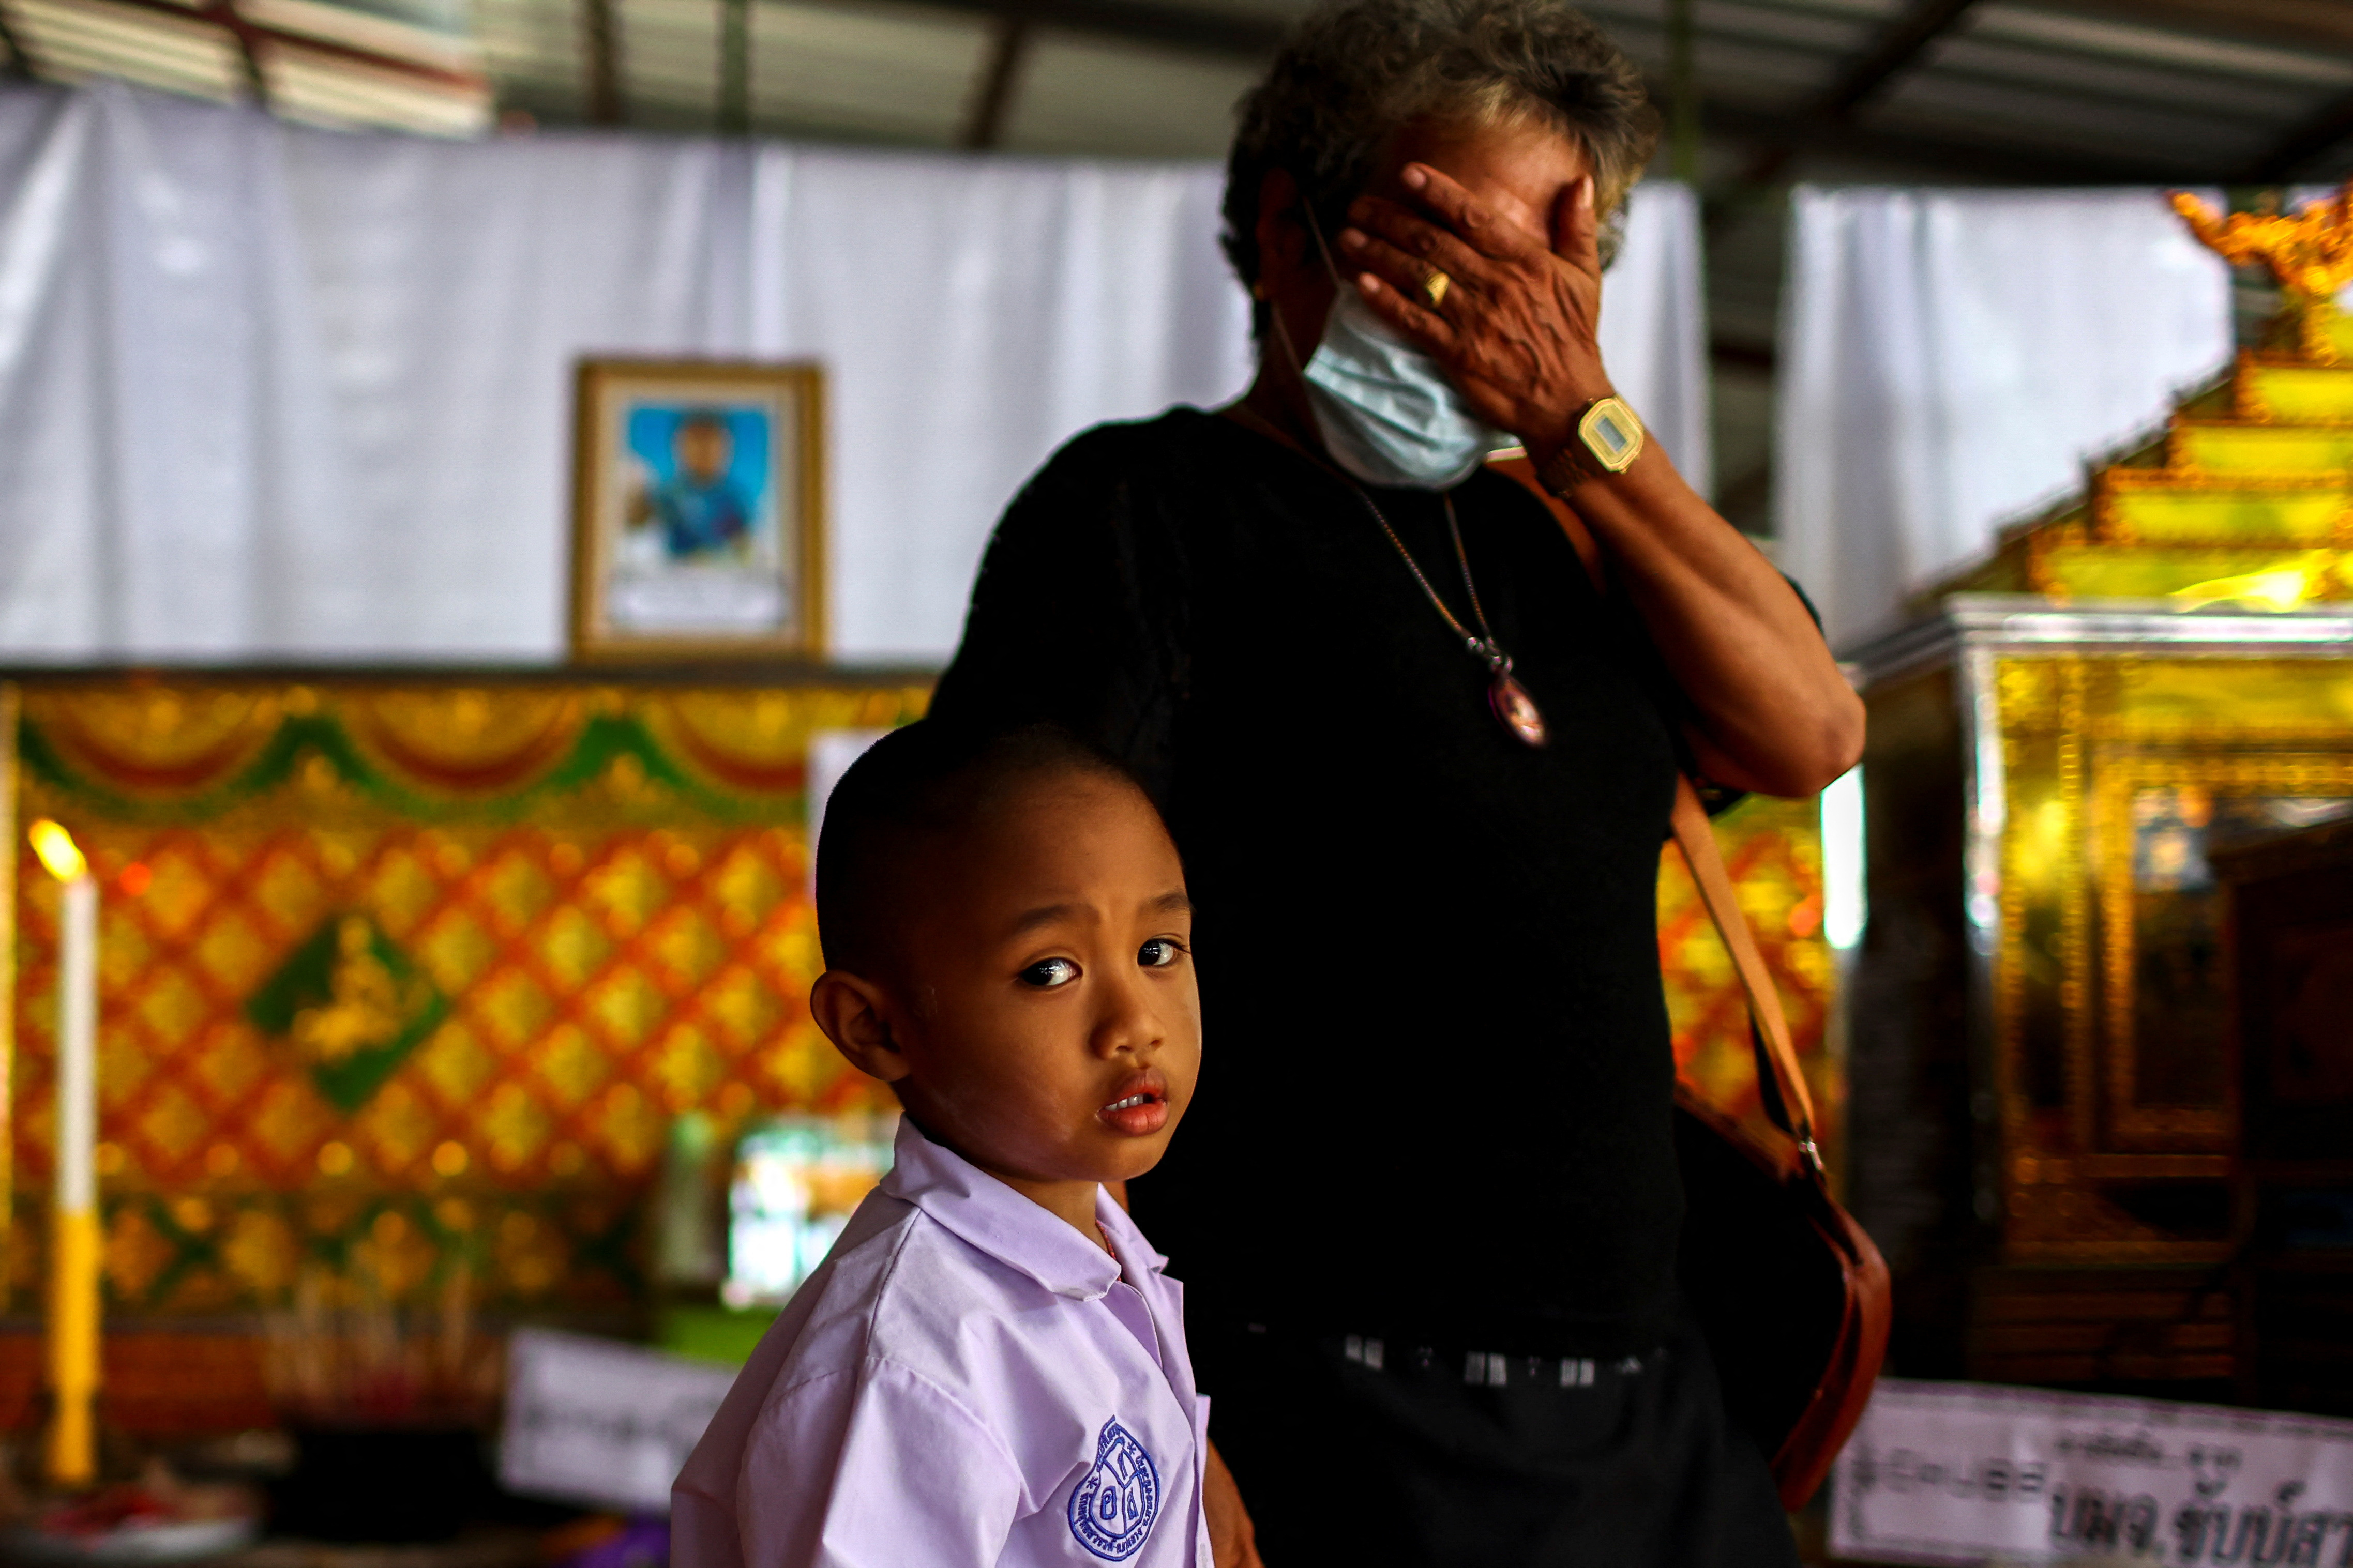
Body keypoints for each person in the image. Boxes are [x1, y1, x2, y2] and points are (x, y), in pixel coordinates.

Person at [925, 0, 1867, 1562]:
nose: (1516, 325)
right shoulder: (1142, 514)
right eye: (1460, 266)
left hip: (1651, 1422)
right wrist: (1132, 1403)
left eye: (1559, 278)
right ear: (1291, 235)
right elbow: (1007, 970)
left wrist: (1582, 427)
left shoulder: (1565, 528)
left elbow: (1810, 735)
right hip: (1312, 1410)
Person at [670, 721, 1211, 1567]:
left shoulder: (1098, 1239)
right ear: (876, 1027)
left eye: (1157, 950)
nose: (1136, 1023)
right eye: (1050, 971)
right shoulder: (911, 1369)